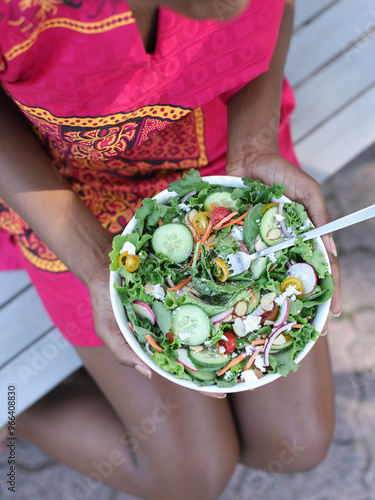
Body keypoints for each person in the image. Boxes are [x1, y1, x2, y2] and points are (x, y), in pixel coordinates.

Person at [0, 0, 341, 499]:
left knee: (296, 441)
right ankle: (15, 406)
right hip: (62, 189)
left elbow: (274, 12)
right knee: (191, 478)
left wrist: (253, 146)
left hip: (225, 151)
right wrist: (99, 265)